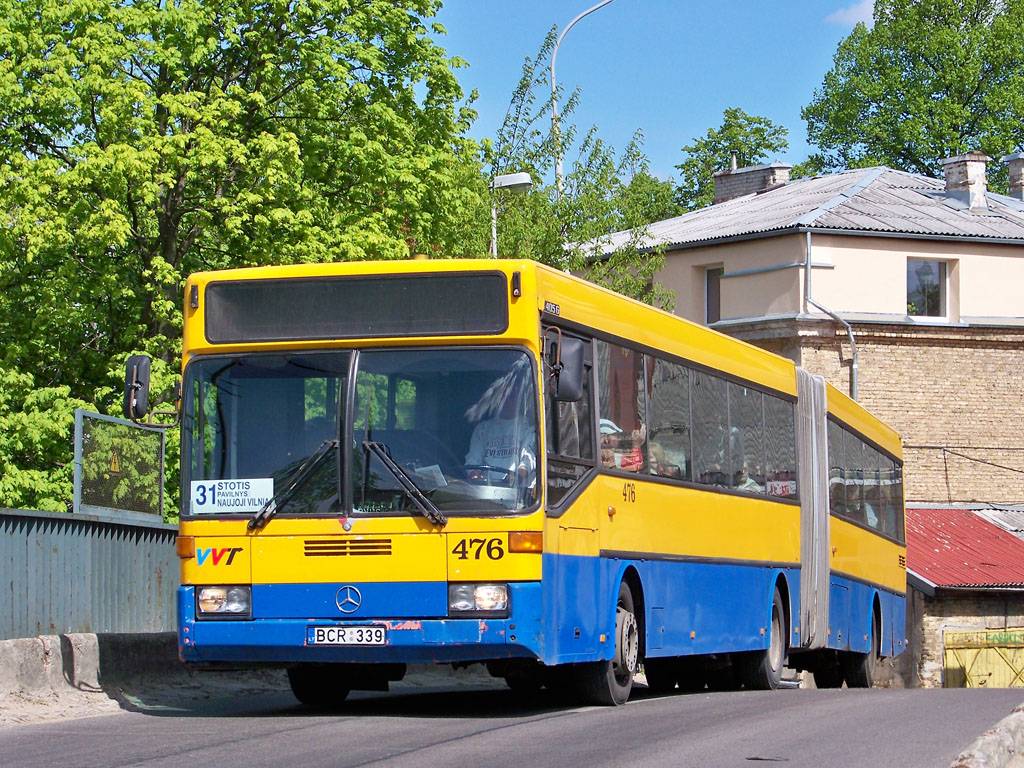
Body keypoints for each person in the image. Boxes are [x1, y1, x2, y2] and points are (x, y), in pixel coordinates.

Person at [464, 372, 537, 490]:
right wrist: (474, 474)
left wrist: (516, 477)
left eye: (512, 395)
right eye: (504, 395)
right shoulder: (483, 429)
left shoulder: (528, 427)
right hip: (486, 495)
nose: (508, 399)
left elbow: (529, 460)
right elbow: (473, 460)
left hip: (520, 499)